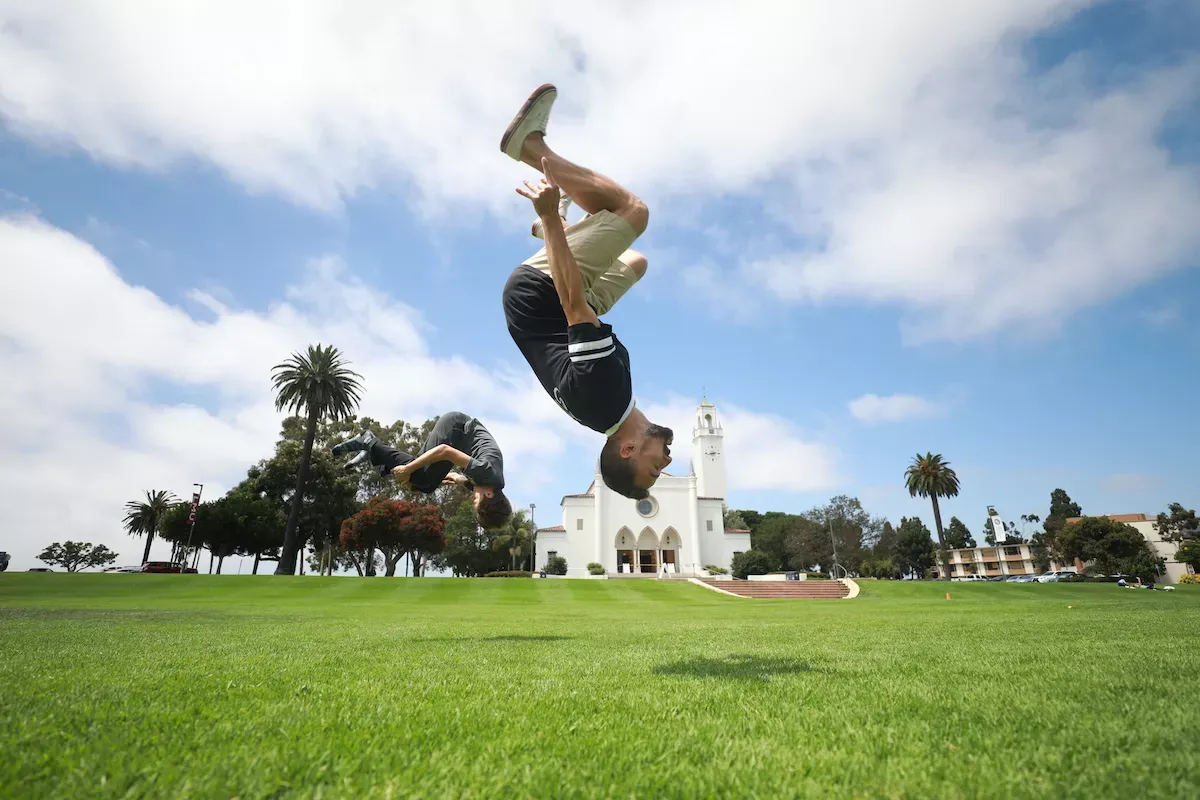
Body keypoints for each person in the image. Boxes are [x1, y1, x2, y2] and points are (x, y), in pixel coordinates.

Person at [499, 83, 673, 499]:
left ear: (628, 449)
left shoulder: (606, 398)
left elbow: (572, 303)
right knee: (636, 263)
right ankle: (547, 232)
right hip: (563, 311)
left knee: (633, 213)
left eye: (652, 472)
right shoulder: (612, 411)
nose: (666, 464)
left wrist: (552, 216)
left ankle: (528, 147)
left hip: (543, 295)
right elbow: (581, 312)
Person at [332, 412, 512, 529]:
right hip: (456, 427)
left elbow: (454, 477)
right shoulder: (486, 473)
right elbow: (444, 451)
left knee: (424, 484)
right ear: (489, 495)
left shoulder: (487, 484)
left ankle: (375, 454)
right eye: (475, 501)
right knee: (422, 478)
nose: (472, 497)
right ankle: (369, 442)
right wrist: (409, 469)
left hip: (457, 435)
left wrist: (426, 482)